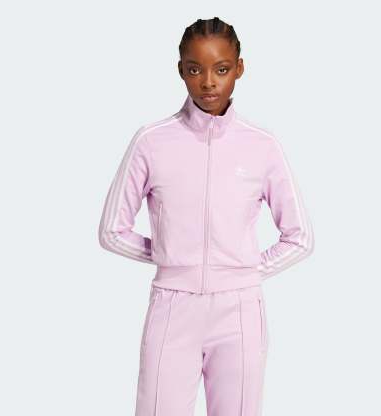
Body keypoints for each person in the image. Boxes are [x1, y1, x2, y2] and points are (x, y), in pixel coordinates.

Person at [98, 16, 314, 416]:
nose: (209, 82)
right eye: (195, 70)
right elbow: (112, 230)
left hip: (240, 312)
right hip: (172, 307)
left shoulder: (262, 146)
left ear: (239, 69)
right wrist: (173, 255)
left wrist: (242, 268)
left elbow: (300, 237)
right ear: (181, 70)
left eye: (222, 69)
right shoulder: (151, 141)